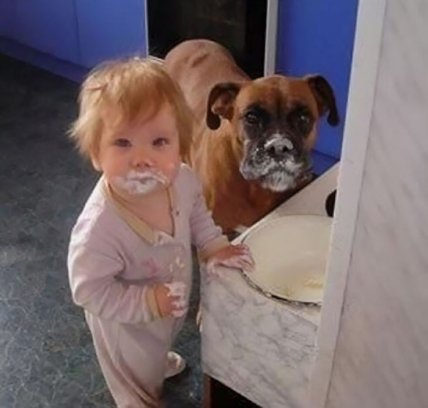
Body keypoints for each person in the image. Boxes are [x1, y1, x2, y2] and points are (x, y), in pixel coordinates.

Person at [67, 57, 254, 408]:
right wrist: (148, 303)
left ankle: (155, 363)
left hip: (165, 310)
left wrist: (214, 246)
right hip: (124, 328)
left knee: (157, 346)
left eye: (159, 141)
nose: (143, 158)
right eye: (123, 143)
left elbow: (198, 214)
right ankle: (139, 394)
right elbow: (88, 290)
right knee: (135, 383)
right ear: (95, 153)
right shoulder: (98, 230)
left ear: (181, 145)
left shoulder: (183, 179)